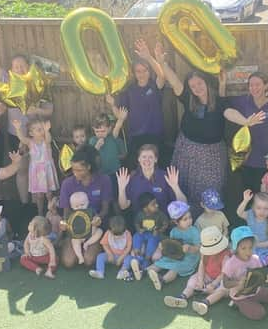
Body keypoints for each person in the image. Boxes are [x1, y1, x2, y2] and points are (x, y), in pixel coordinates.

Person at [153, 42, 228, 213]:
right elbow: (174, 80)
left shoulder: (218, 100)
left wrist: (223, 84)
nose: (197, 88)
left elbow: (225, 110)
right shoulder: (188, 99)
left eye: (199, 84)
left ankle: (211, 223)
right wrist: (162, 63)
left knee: (211, 190)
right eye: (193, 86)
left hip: (212, 156)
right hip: (188, 151)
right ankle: (186, 223)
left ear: (206, 82)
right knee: (184, 185)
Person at [0, 26, 54, 204]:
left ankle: (41, 205)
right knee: (22, 169)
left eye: (22, 66)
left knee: (40, 169)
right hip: (16, 134)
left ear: (28, 68)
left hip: (38, 135)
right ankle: (25, 205)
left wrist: (37, 111)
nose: (19, 69)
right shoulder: (8, 81)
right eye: (16, 67)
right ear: (11, 69)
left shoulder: (37, 82)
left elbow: (50, 110)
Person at [106, 39, 166, 169]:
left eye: (145, 70)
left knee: (156, 169)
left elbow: (162, 75)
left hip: (155, 135)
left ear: (149, 71)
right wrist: (112, 104)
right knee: (136, 170)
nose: (142, 74)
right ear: (134, 73)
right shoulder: (129, 90)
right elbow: (120, 115)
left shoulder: (154, 86)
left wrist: (148, 57)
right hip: (135, 136)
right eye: (138, 71)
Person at [224, 71, 268, 192]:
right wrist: (245, 121)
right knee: (249, 196)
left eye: (257, 84)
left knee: (264, 197)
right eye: (251, 85)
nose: (254, 88)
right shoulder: (244, 101)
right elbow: (225, 108)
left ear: (266, 86)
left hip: (267, 160)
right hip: (247, 159)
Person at [163, 226, 230, 316]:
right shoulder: (204, 252)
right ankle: (182, 297)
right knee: (192, 280)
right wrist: (200, 280)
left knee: (223, 290)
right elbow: (202, 265)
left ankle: (205, 303)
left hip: (221, 279)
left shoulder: (225, 255)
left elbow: (224, 273)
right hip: (208, 274)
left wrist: (214, 284)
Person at [223, 226, 268, 321]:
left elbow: (261, 271)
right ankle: (237, 303)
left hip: (255, 290)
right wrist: (238, 283)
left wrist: (266, 276)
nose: (248, 252)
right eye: (243, 248)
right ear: (236, 248)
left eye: (250, 247)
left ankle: (252, 301)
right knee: (260, 314)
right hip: (239, 295)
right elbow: (225, 283)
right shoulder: (231, 264)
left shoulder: (255, 258)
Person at [116, 144, 187, 215]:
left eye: (150, 157)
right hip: (139, 223)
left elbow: (183, 204)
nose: (147, 160)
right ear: (139, 159)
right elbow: (123, 206)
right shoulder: (132, 179)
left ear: (156, 159)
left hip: (163, 221)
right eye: (144, 157)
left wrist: (175, 187)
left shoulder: (166, 176)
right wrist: (121, 188)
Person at [147, 201, 201, 291]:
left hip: (190, 257)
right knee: (162, 261)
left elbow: (198, 248)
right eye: (185, 219)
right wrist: (163, 248)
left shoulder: (194, 231)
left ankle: (162, 280)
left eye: (190, 217)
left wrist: (189, 248)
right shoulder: (174, 232)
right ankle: (148, 270)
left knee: (175, 268)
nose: (189, 221)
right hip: (176, 255)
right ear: (176, 222)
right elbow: (172, 247)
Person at [12, 118, 59, 216]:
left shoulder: (46, 141)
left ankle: (52, 211)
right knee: (39, 195)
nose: (41, 131)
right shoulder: (30, 142)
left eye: (42, 129)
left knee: (49, 193)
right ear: (31, 133)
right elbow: (21, 138)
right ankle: (40, 213)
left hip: (46, 170)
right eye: (39, 129)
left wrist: (47, 131)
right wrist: (17, 129)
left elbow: (49, 139)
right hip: (36, 172)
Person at [89, 109, 128, 194]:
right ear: (93, 129)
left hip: (114, 172)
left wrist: (121, 119)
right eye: (97, 131)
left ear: (109, 128)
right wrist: (96, 147)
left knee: (115, 193)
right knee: (103, 194)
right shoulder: (93, 140)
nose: (100, 134)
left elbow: (117, 128)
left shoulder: (112, 137)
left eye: (103, 131)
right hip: (100, 173)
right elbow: (90, 157)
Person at [130, 192, 169, 274]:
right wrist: (139, 229)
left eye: (156, 203)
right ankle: (137, 256)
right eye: (153, 204)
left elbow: (166, 223)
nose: (157, 205)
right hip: (144, 233)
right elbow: (136, 223)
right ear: (145, 208)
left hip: (155, 234)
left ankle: (147, 260)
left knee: (152, 240)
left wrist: (159, 230)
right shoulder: (140, 215)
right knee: (136, 236)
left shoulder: (160, 214)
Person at [62, 192, 103, 265]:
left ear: (88, 202)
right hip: (78, 236)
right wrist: (63, 224)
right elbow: (65, 222)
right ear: (71, 206)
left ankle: (87, 243)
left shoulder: (91, 211)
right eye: (76, 206)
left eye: (82, 205)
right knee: (74, 241)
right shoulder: (71, 214)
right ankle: (80, 256)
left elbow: (97, 218)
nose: (80, 208)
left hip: (91, 234)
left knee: (100, 231)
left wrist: (96, 220)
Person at [89, 216, 133, 280]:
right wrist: (109, 253)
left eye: (120, 235)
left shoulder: (127, 234)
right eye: (115, 235)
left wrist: (121, 257)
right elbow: (104, 244)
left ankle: (122, 272)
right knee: (100, 256)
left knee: (129, 258)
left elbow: (128, 248)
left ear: (124, 230)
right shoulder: (108, 233)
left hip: (123, 256)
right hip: (111, 256)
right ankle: (100, 272)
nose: (117, 238)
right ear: (110, 230)